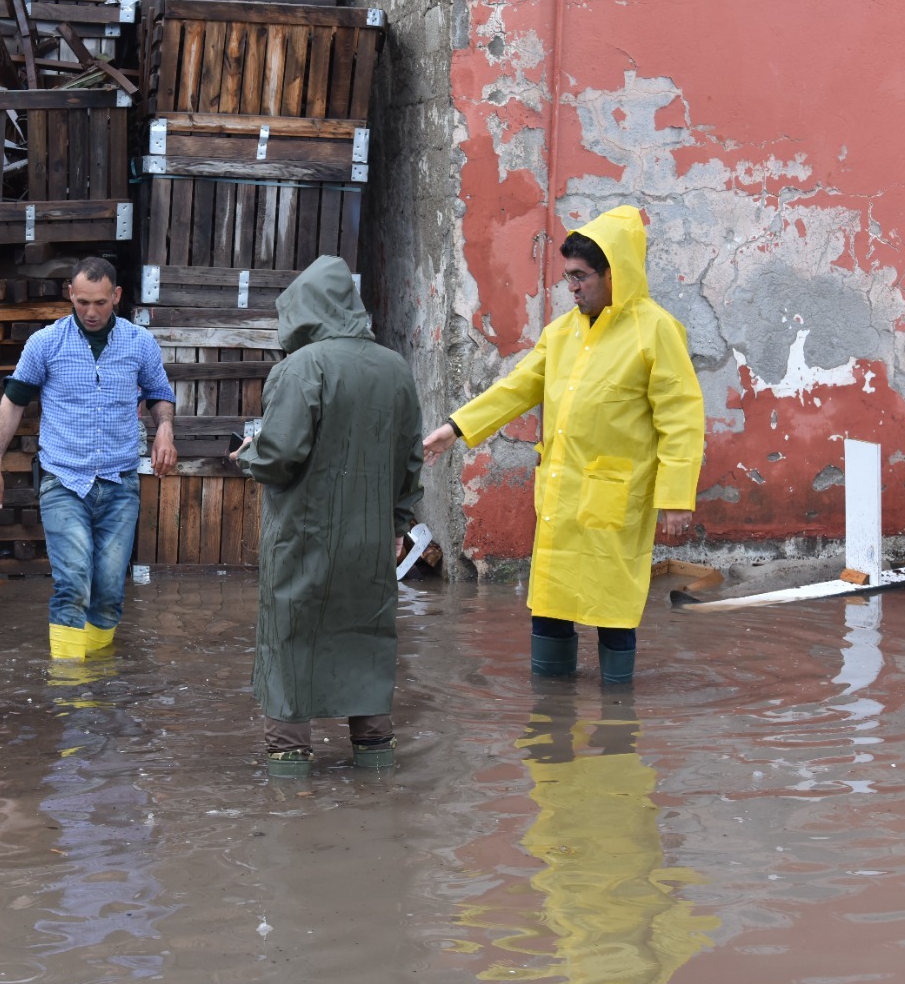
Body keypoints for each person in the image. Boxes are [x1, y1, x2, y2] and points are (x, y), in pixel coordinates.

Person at [421, 205, 705, 684]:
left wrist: (675, 496)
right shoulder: (563, 332)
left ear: (615, 273)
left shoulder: (656, 331)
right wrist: (457, 427)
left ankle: (617, 719)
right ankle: (550, 718)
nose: (572, 287)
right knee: (550, 608)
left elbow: (681, 418)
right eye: (567, 278)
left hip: (616, 499)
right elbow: (516, 388)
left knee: (613, 613)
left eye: (581, 277)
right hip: (560, 499)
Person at [230, 254, 424, 777]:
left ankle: (290, 777)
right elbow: (411, 462)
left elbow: (278, 457)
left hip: (304, 538)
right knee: (367, 637)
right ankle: (375, 761)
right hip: (372, 542)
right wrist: (398, 527)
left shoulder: (301, 368)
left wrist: (248, 452)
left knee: (291, 638)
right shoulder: (395, 368)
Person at [0, 256, 177, 661]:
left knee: (107, 589)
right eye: (83, 301)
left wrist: (166, 430)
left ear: (116, 297)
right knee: (73, 582)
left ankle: (99, 681)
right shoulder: (45, 343)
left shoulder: (140, 344)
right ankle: (70, 691)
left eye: (100, 303)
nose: (90, 311)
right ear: (70, 294)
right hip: (63, 480)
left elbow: (160, 394)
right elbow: (13, 402)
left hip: (119, 482)